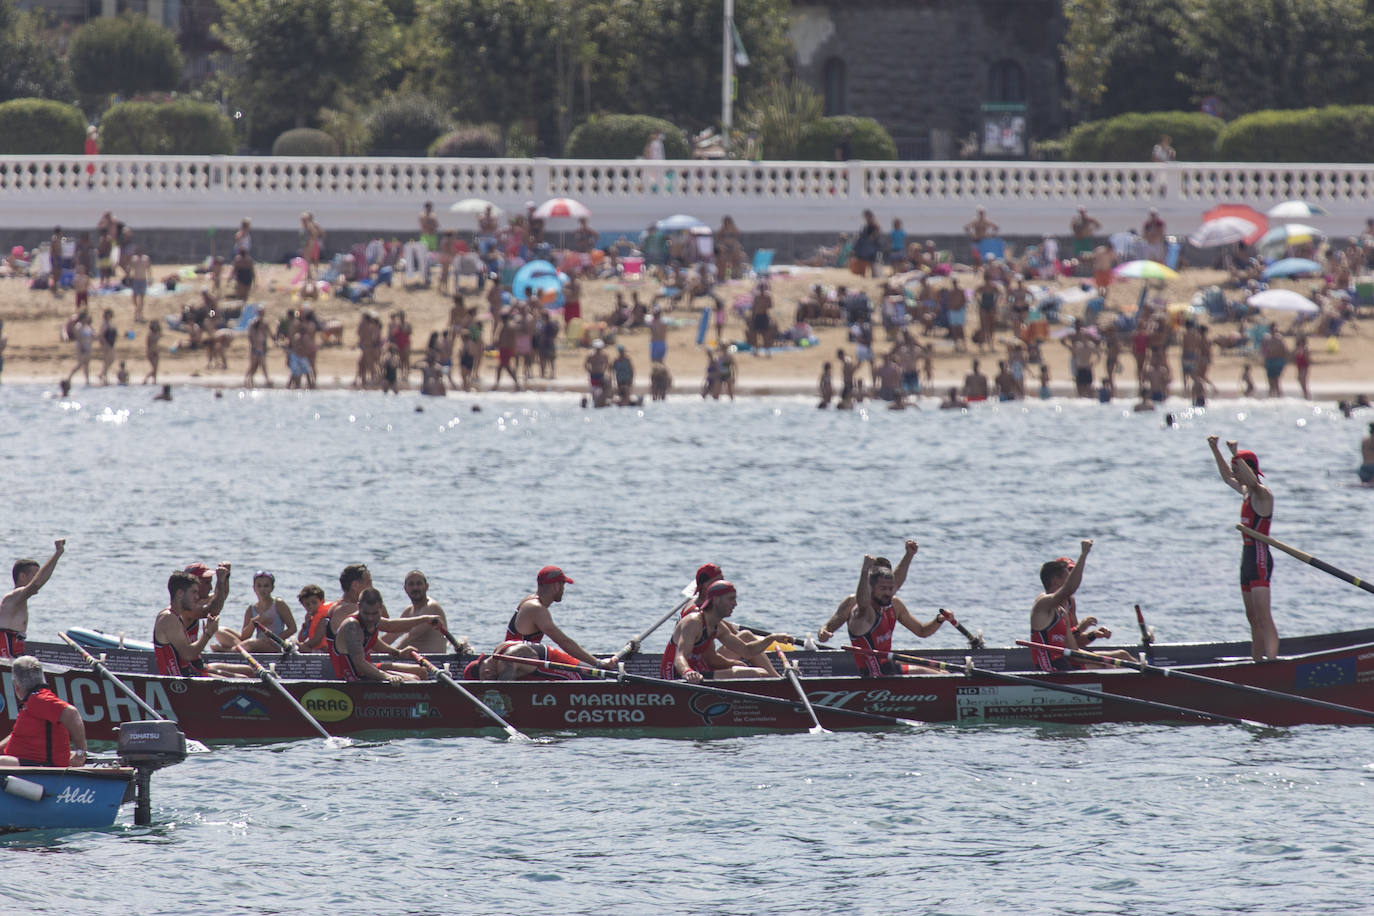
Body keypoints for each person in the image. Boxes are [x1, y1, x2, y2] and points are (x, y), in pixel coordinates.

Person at [817, 546, 946, 676]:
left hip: (888, 665)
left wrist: (939, 619)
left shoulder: (893, 604)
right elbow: (832, 625)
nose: (888, 592)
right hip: (875, 673)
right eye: (883, 587)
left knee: (942, 671)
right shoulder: (856, 605)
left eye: (890, 587)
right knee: (941, 676)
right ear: (871, 584)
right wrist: (824, 632)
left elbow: (922, 631)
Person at [1208, 436, 1279, 661]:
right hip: (1246, 558)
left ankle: (1273, 661)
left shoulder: (1262, 494)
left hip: (1259, 557)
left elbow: (1253, 481)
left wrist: (1235, 453)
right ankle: (1257, 662)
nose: (1233, 473)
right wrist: (1215, 449)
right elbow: (1226, 477)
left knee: (1263, 616)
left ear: (1247, 469)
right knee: (1252, 617)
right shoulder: (1246, 492)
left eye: (1237, 468)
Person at [1028, 541, 1133, 671]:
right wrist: (1084, 554)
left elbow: (1075, 652)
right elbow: (1069, 589)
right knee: (1109, 665)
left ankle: (1145, 675)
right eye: (1068, 577)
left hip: (1065, 665)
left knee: (1118, 660)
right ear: (1055, 580)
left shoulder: (1062, 612)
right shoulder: (1042, 604)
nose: (1072, 581)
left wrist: (1108, 661)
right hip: (1050, 672)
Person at [661, 580, 789, 682]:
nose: (735, 604)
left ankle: (777, 685)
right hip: (678, 678)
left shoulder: (718, 626)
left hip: (700, 672)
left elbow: (747, 651)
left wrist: (771, 638)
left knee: (762, 673)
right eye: (731, 599)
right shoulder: (693, 622)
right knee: (754, 673)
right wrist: (687, 672)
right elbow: (680, 656)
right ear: (716, 600)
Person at [506, 566, 617, 669]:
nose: (563, 589)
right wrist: (598, 663)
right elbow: (564, 642)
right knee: (590, 674)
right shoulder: (536, 608)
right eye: (563, 585)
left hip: (519, 661)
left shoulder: (530, 600)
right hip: (518, 666)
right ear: (556, 586)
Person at [152, 568, 252, 677]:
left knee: (248, 672)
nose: (197, 596)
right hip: (180, 681)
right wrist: (208, 634)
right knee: (243, 679)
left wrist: (224, 579)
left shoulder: (175, 615)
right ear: (180, 593)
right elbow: (188, 655)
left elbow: (219, 597)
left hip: (191, 671)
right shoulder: (169, 619)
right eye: (194, 592)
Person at [329, 588, 438, 683]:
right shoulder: (352, 626)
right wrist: (388, 677)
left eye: (374, 613)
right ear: (359, 607)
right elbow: (360, 664)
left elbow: (391, 626)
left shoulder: (372, 620)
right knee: (413, 680)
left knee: (421, 671)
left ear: (381, 608)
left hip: (368, 668)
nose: (370, 618)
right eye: (366, 613)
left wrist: (425, 619)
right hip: (353, 677)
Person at [0, 656, 88, 768]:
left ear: (16, 685)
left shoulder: (40, 699)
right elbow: (15, 735)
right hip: (25, 763)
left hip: (43, 767)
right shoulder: (32, 701)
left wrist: (81, 753)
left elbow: (71, 713)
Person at [0, 539, 66, 658]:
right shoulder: (13, 597)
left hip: (16, 655)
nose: (38, 579)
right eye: (35, 575)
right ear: (22, 576)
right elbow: (36, 584)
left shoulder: (19, 601)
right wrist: (58, 553)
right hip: (6, 657)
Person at [224, 570, 297, 653]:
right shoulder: (251, 609)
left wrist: (274, 639)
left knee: (251, 643)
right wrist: (254, 622)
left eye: (266, 586)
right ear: (254, 588)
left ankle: (228, 651)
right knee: (220, 631)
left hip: (275, 645)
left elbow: (293, 628)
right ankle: (236, 649)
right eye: (259, 586)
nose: (262, 589)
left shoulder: (278, 604)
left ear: (272, 588)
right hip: (258, 643)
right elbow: (244, 637)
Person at [386, 570, 453, 655]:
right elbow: (391, 635)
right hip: (413, 662)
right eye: (411, 584)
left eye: (419, 584)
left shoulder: (432, 607)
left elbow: (411, 636)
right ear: (405, 589)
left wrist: (391, 653)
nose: (415, 588)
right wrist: (372, 648)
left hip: (435, 662)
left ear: (427, 586)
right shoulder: (408, 611)